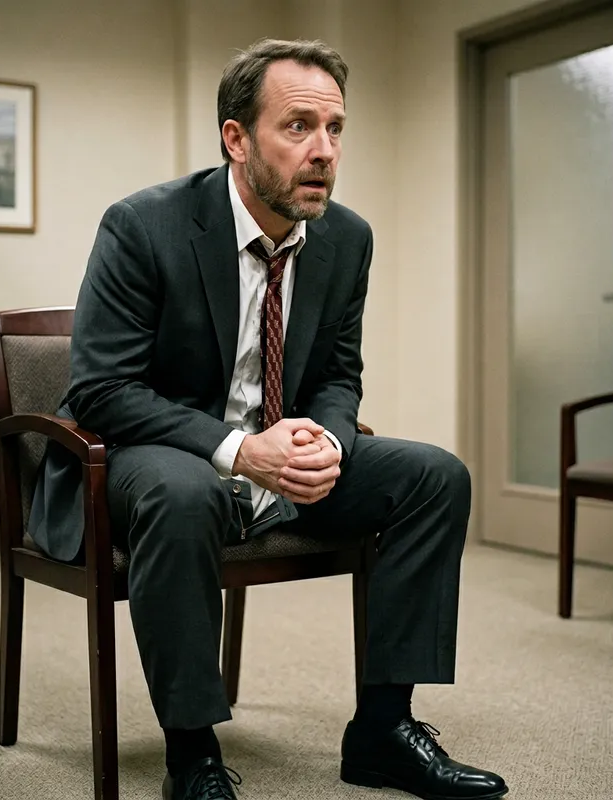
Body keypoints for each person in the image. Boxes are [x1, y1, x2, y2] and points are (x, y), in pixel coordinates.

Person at [29, 38, 508, 800]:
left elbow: (340, 374)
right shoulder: (143, 226)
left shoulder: (346, 239)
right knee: (184, 496)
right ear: (237, 138)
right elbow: (103, 389)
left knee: (433, 476)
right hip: (152, 445)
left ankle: (384, 728)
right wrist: (238, 448)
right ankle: (192, 754)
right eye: (298, 127)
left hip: (276, 444)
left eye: (336, 128)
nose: (324, 151)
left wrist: (325, 441)